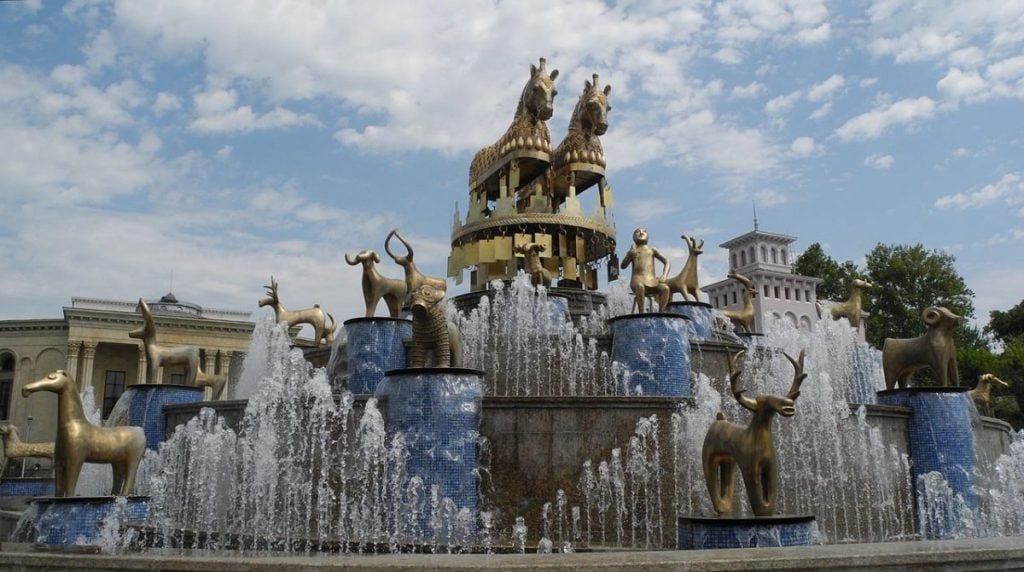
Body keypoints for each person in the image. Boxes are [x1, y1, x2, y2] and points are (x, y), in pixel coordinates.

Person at [620, 228, 671, 312]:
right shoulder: (633, 251)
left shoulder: (652, 250)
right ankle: (641, 313)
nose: (641, 232)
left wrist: (664, 274)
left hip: (652, 281)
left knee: (665, 288)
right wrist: (629, 254)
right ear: (633, 237)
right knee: (640, 286)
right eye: (637, 231)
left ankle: (661, 313)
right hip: (637, 281)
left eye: (644, 231)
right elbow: (623, 266)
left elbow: (667, 261)